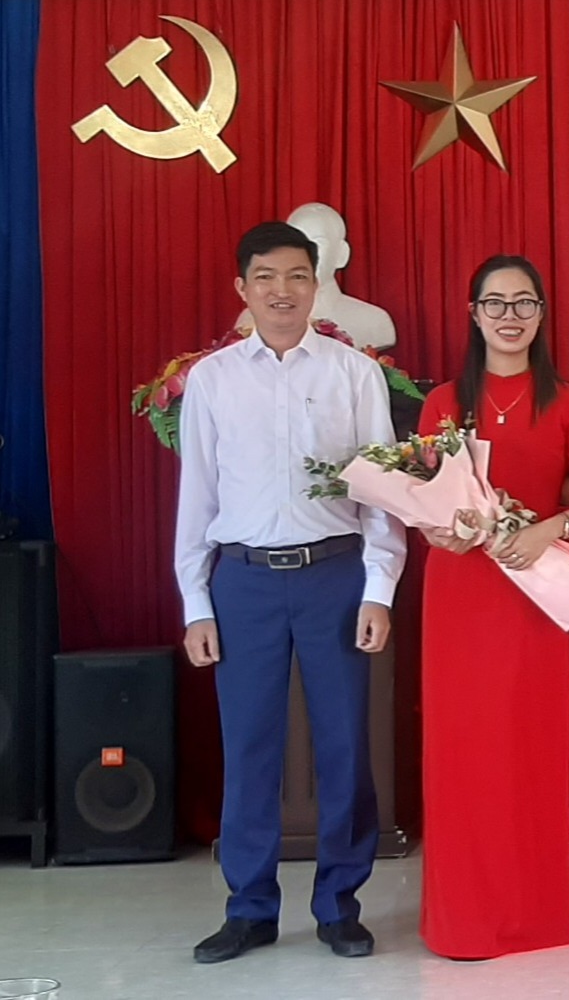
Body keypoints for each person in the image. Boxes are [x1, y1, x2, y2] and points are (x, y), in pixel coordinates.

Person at [175, 221, 407, 964]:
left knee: (344, 745)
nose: (283, 291)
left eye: (297, 276)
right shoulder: (212, 380)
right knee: (249, 748)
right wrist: (197, 603)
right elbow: (196, 497)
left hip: (334, 575)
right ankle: (249, 908)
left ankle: (340, 904)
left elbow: (381, 492)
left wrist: (379, 589)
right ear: (242, 288)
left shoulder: (353, 374)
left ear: (317, 284)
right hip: (243, 582)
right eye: (266, 278)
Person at [416, 254, 569, 960]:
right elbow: (424, 499)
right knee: (464, 754)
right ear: (474, 315)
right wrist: (438, 527)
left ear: (541, 315)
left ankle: (534, 915)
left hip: (537, 593)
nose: (510, 315)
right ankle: (465, 917)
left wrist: (551, 527)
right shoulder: (445, 402)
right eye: (495, 303)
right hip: (461, 594)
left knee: (531, 751)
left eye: (524, 302)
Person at [235, 203, 397, 348]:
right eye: (297, 243)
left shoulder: (373, 320)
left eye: (317, 243)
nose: (306, 253)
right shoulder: (250, 319)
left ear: (342, 254)